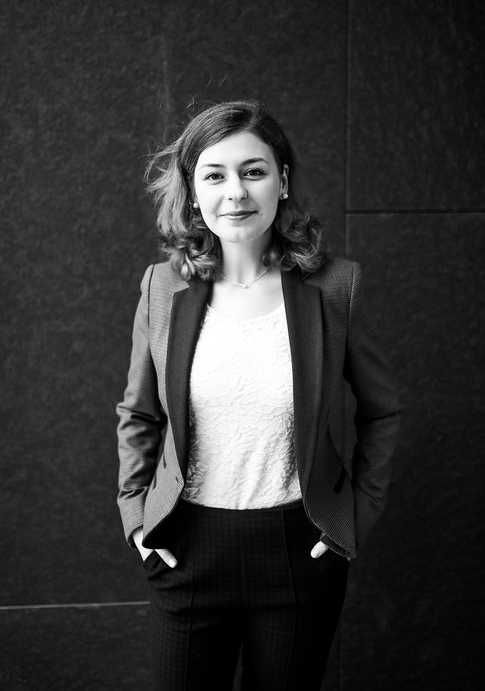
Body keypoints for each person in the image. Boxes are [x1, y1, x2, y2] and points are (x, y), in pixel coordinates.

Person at [116, 100, 401, 691]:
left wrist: (354, 517)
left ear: (282, 180)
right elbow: (139, 412)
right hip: (186, 546)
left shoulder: (336, 288)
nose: (236, 192)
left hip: (300, 549)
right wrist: (137, 517)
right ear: (193, 192)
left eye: (253, 171)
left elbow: (383, 412)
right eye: (214, 175)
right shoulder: (163, 287)